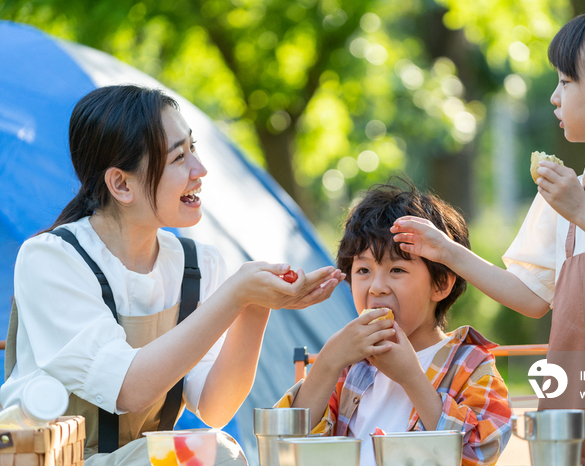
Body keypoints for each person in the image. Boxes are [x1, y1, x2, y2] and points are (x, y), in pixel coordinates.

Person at [390, 4, 585, 465]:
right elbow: (531, 296)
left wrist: (582, 212)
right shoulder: (570, 189)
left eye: (566, 81)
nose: (555, 97)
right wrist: (447, 251)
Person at [0, 85, 344, 465]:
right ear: (121, 184)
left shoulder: (196, 266)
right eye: (179, 157)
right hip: (53, 459)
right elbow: (129, 389)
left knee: (220, 450)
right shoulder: (52, 258)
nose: (200, 170)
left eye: (193, 148)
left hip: (140, 458)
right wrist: (235, 294)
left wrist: (253, 303)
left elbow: (216, 406)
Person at [275, 182, 512, 466]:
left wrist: (412, 378)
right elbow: (286, 445)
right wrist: (327, 361)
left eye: (397, 269)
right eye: (363, 270)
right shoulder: (348, 366)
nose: (376, 287)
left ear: (441, 284)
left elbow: (481, 452)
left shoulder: (472, 366)